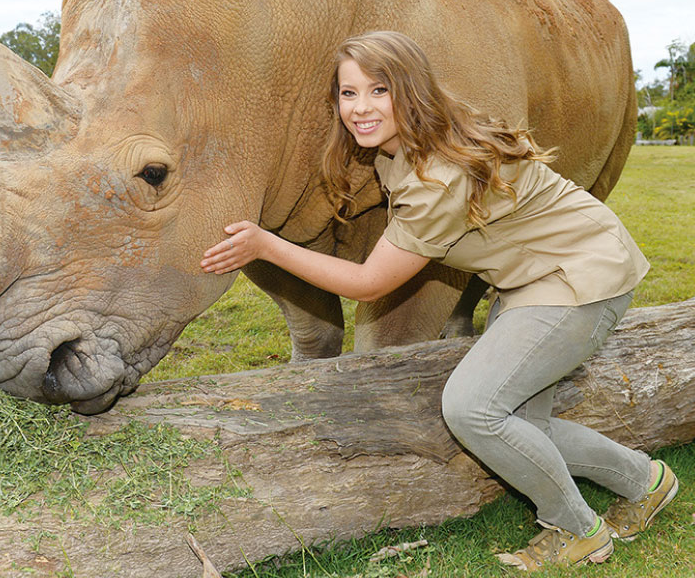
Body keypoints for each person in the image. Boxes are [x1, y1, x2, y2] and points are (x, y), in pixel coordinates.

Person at [200, 31, 678, 571]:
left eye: (378, 90)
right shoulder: (408, 143)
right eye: (348, 93)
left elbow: (369, 283)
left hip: (581, 276)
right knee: (525, 424)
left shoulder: (437, 177)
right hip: (532, 277)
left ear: (410, 90)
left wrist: (266, 246)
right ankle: (647, 482)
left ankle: (576, 528)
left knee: (473, 409)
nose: (360, 108)